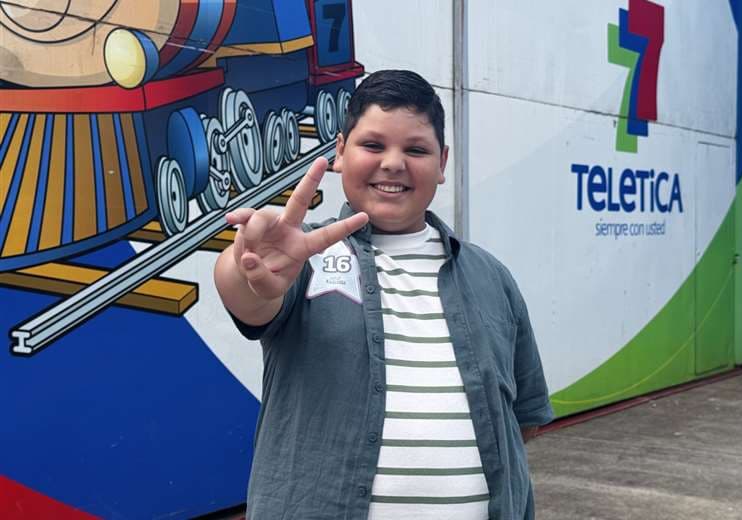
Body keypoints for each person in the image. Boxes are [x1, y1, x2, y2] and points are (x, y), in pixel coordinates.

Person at [214, 70, 553, 520]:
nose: (393, 163)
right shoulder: (301, 259)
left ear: (442, 162)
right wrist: (247, 266)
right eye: (373, 145)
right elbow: (248, 294)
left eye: (416, 150)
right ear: (340, 151)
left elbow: (521, 421)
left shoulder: (492, 277)